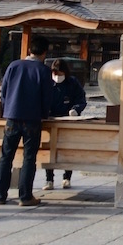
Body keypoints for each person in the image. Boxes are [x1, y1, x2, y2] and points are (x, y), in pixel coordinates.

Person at [0, 35, 54, 207]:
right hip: (32, 119)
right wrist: (45, 113)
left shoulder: (14, 65)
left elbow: (4, 91)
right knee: (29, 157)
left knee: (6, 157)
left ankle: (0, 195)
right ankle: (25, 196)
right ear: (44, 52)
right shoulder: (43, 71)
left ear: (29, 50)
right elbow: (47, 97)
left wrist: (8, 108)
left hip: (12, 117)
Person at [43, 58, 87, 190]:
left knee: (68, 150)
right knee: (49, 149)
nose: (57, 77)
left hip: (68, 119)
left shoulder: (72, 82)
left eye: (60, 74)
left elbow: (81, 98)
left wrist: (76, 109)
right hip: (50, 119)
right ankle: (49, 179)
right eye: (55, 74)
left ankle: (67, 177)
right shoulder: (47, 82)